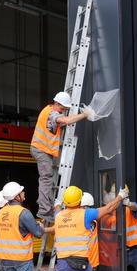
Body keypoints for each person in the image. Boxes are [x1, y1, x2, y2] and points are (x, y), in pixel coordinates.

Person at [30, 92, 90, 223]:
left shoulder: (49, 110)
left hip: (42, 149)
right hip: (41, 150)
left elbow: (60, 122)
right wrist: (85, 114)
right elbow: (66, 120)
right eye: (62, 109)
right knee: (46, 179)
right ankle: (45, 211)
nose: (63, 112)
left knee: (48, 179)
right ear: (56, 104)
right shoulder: (52, 114)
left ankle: (46, 206)